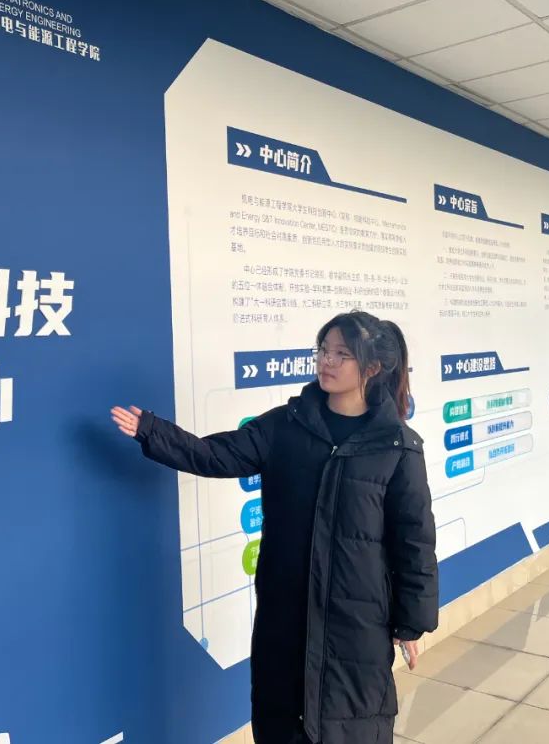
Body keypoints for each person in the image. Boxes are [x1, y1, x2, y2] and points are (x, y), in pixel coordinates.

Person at [112, 310, 438, 744]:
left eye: (342, 354)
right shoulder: (285, 425)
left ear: (372, 367)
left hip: (356, 623)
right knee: (280, 722)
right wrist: (153, 432)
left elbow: (413, 540)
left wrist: (410, 621)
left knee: (350, 727)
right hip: (285, 615)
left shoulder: (397, 446)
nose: (327, 361)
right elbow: (217, 455)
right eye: (323, 350)